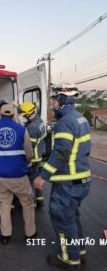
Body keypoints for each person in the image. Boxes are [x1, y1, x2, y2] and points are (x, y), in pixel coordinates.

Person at [34, 82, 91, 270]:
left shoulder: (65, 123)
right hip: (81, 180)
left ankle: (68, 259)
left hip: (68, 182)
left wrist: (43, 176)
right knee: (72, 217)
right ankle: (80, 252)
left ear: (63, 100)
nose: (54, 105)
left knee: (62, 219)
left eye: (55, 101)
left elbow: (61, 152)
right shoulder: (81, 119)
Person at [0, 102, 36, 245]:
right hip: (19, 175)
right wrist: (28, 163)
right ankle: (30, 234)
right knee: (27, 203)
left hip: (0, 176)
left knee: (4, 205)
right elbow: (29, 154)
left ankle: (5, 235)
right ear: (13, 115)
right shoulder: (22, 130)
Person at [18, 102, 46, 208]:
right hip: (39, 157)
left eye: (23, 115)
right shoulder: (39, 121)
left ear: (28, 114)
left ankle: (30, 203)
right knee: (36, 180)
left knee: (28, 182)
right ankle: (40, 201)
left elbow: (29, 147)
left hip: (33, 159)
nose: (23, 117)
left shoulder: (32, 127)